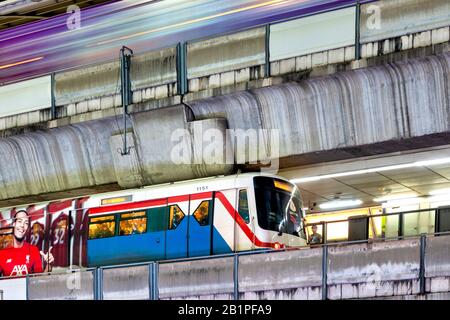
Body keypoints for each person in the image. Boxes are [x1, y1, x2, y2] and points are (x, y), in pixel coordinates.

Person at [0, 210, 54, 277]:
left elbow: (40, 279)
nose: (22, 225)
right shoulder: (2, 253)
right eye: (19, 221)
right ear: (13, 224)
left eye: (26, 223)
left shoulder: (33, 250)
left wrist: (49, 264)